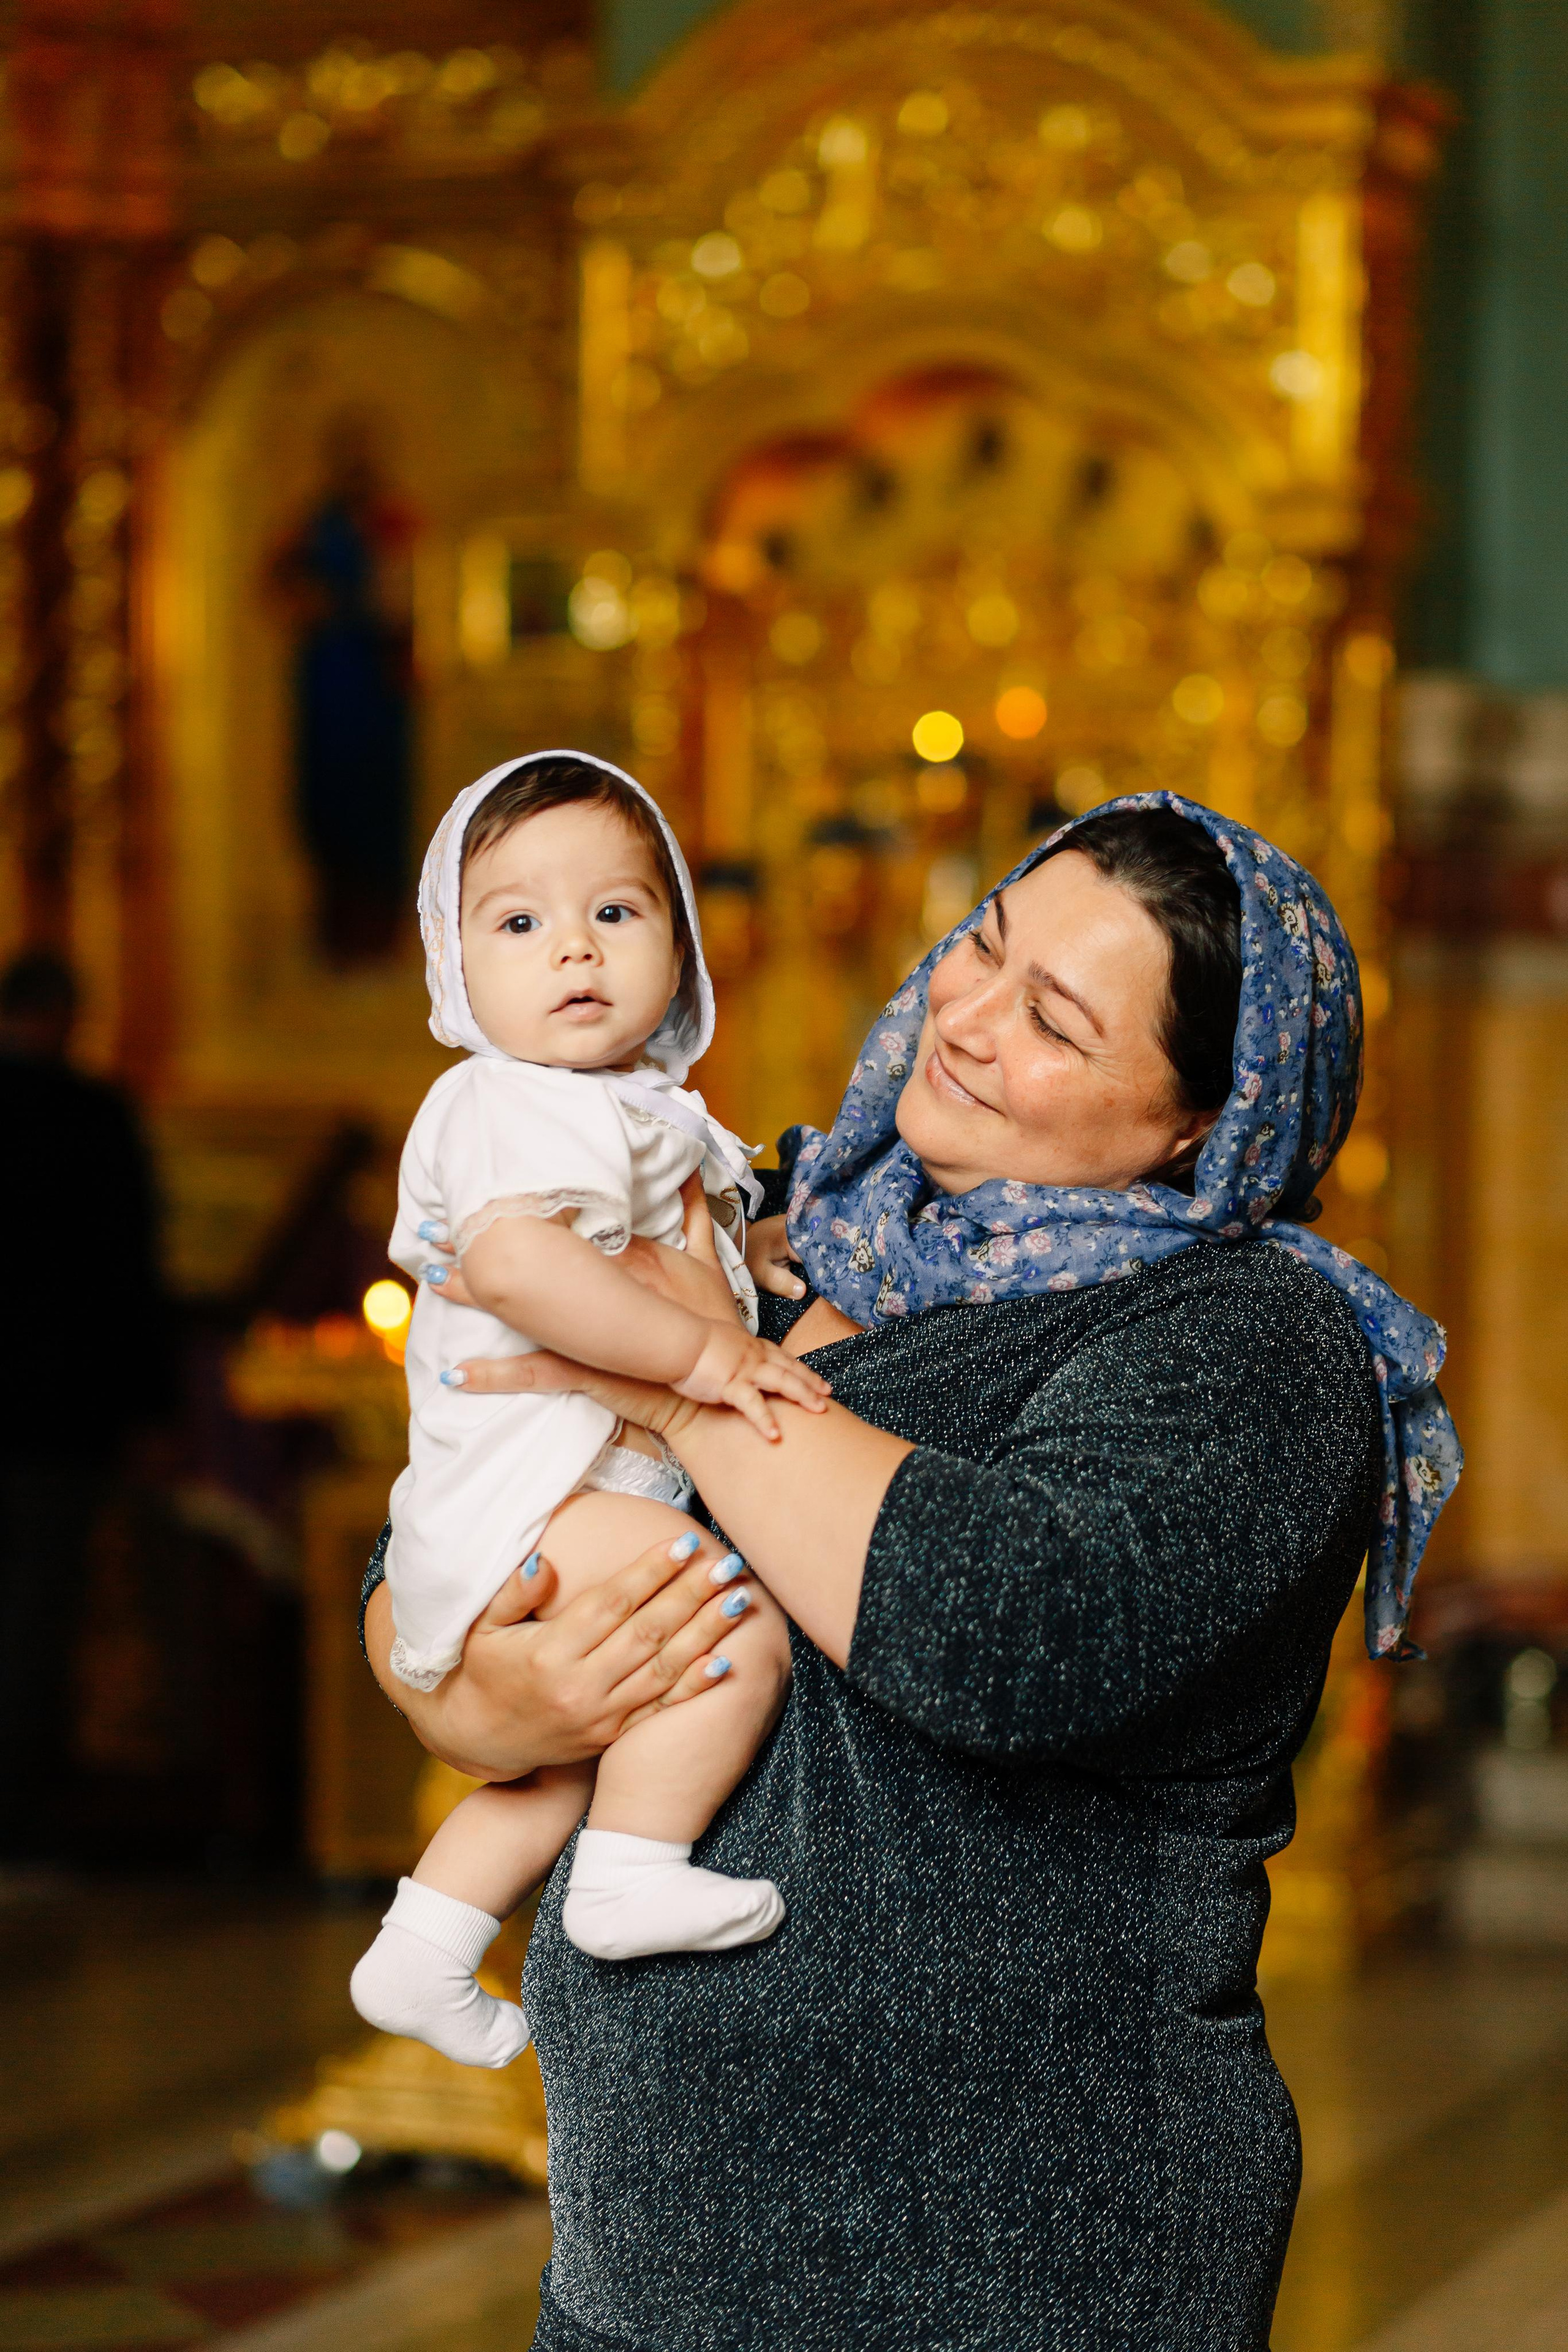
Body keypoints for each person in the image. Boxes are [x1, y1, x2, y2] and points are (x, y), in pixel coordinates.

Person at [361, 795, 1460, 2351]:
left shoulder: (1247, 1344)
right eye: (981, 949)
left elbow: (1004, 1627)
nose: (966, 1022)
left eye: (1054, 1024)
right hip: (654, 2264)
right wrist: (478, 1694)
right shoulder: (786, 1218)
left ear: (1202, 1120)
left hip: (1015, 2260)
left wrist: (688, 1380)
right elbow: (452, 1498)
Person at [350, 754, 828, 2074]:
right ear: (453, 968)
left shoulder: (628, 1109)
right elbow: (516, 1265)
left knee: (567, 1755)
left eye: (615, 912)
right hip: (535, 1506)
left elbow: (672, 1235)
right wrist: (706, 1354)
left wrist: (754, 1255)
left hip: (534, 1514)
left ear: (679, 938)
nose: (573, 948)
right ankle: (629, 1875)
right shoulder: (505, 1102)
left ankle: (425, 1942)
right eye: (518, 923)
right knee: (729, 1628)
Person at [0, 951, 175, 1862]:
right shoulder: (93, 1120)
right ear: (69, 1014)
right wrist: (152, 1412)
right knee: (34, 1618)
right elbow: (126, 1279)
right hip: (58, 1414)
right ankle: (17, 1826)